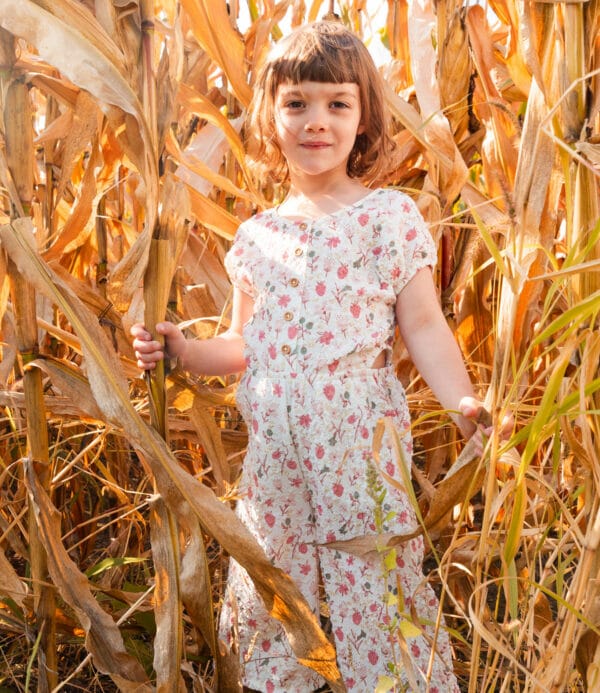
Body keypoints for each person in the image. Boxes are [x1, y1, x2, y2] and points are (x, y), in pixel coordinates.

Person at [132, 20, 493, 692]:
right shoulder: (258, 235)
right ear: (270, 116)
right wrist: (182, 349)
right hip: (276, 455)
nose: (315, 121)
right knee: (275, 581)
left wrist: (461, 401)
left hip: (358, 442)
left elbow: (423, 326)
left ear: (364, 118)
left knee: (377, 577)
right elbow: (245, 346)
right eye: (296, 103)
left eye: (337, 103)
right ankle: (279, 680)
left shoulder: (387, 217)